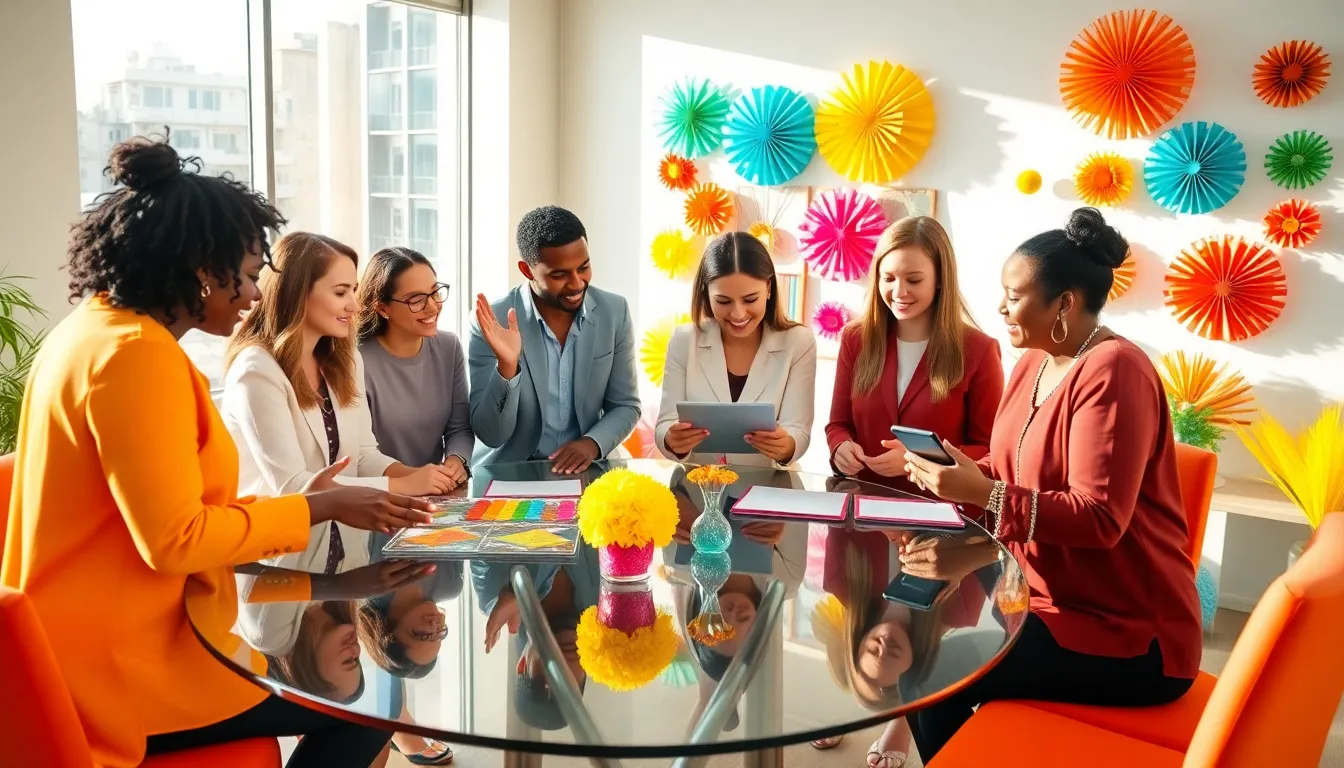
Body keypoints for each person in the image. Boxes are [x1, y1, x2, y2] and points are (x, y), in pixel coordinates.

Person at [1, 135, 432, 768]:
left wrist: (309, 501)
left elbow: (155, 505)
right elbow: (176, 539)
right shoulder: (135, 357)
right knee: (365, 715)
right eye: (250, 272)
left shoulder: (88, 331)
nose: (256, 295)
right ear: (203, 269)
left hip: (74, 641)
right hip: (121, 671)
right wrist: (316, 509)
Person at [901, 208, 1202, 762]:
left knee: (926, 674)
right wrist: (956, 477)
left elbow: (1099, 519)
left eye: (1014, 296)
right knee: (923, 646)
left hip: (1130, 636)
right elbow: (1007, 468)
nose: (1000, 307)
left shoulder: (1117, 372)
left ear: (1064, 302)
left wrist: (980, 493)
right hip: (1045, 604)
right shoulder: (1033, 363)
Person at [222, 233, 458, 580]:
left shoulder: (343, 361)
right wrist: (402, 487)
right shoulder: (256, 371)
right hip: (273, 565)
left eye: (353, 290)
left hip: (343, 551)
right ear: (298, 294)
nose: (354, 305)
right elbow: (293, 489)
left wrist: (419, 477)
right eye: (340, 292)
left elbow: (363, 454)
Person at [825, 217, 1002, 493]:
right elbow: (839, 424)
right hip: (860, 511)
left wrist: (917, 460)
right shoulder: (855, 339)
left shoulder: (979, 350)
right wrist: (840, 447)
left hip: (937, 515)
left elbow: (990, 450)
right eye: (888, 278)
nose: (899, 292)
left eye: (914, 280)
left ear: (941, 279)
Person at [469, 206, 640, 473]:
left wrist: (591, 444)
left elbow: (626, 405)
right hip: (510, 470)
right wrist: (507, 367)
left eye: (583, 267)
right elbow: (492, 435)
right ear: (527, 270)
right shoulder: (492, 321)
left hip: (589, 467)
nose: (576, 283)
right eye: (559, 275)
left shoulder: (614, 312)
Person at [656, 232, 817, 467]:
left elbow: (798, 431)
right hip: (699, 486)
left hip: (769, 487)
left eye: (750, 299)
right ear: (706, 293)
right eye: (723, 302)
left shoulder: (798, 342)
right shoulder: (684, 340)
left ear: (769, 288)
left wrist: (786, 446)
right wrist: (672, 440)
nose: (738, 314)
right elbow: (665, 424)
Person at [356, 247, 472, 482]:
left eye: (435, 292)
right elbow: (360, 454)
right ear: (382, 308)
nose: (432, 306)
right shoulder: (355, 360)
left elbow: (459, 428)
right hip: (379, 496)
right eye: (416, 300)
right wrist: (415, 478)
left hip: (436, 491)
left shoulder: (449, 347)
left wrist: (456, 460)